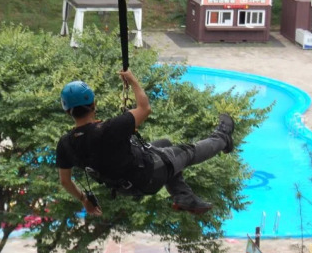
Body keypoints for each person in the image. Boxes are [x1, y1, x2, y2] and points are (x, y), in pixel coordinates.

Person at [56, 70, 235, 216]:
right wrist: (132, 80)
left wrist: (84, 199)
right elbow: (145, 108)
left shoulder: (65, 144)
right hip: (148, 174)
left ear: (67, 111)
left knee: (164, 143)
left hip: (124, 186)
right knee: (188, 152)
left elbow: (65, 181)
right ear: (93, 103)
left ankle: (184, 196)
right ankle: (223, 137)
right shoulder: (109, 128)